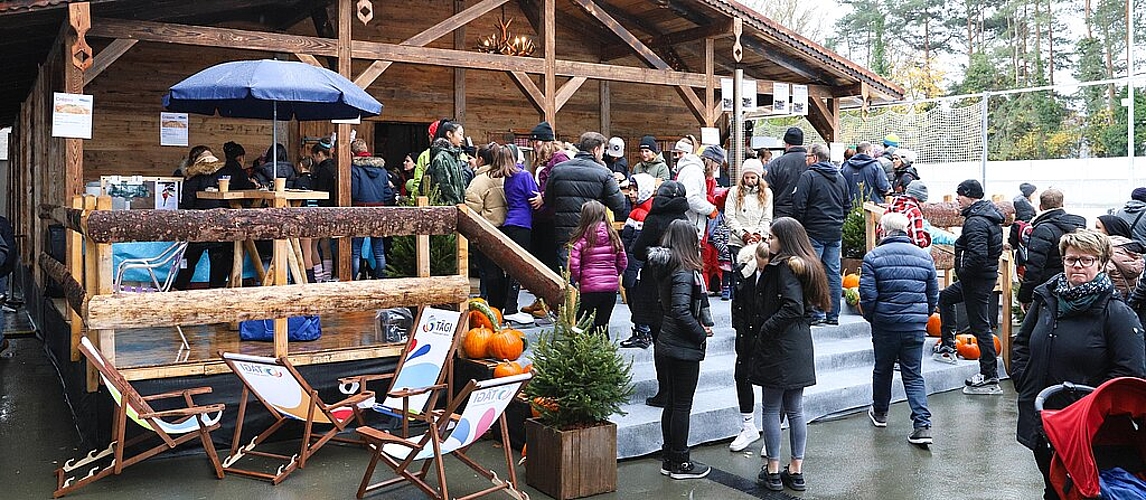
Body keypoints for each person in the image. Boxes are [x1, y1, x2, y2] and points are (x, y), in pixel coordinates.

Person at [1011, 229, 1146, 500]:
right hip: (1042, 417)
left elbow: (1129, 374)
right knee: (1052, 485)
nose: (1078, 266)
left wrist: (1088, 406)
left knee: (1075, 491)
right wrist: (1024, 381)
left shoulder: (1116, 313)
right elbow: (1022, 345)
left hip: (1085, 429)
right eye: (1071, 259)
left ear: (1102, 263)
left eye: (1087, 260)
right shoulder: (1047, 300)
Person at [750, 217, 830, 493]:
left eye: (771, 237)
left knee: (772, 408)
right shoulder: (806, 264)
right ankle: (795, 470)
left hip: (780, 344)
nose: (767, 241)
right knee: (795, 409)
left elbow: (791, 307)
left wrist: (765, 330)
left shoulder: (784, 267)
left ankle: (773, 469)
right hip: (798, 343)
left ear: (785, 239)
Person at [860, 213, 938, 446]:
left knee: (882, 369)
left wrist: (874, 317)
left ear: (883, 231)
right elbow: (933, 294)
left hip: (885, 324)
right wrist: (923, 316)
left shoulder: (873, 257)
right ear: (906, 230)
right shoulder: (924, 257)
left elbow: (868, 295)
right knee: (913, 374)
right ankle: (922, 425)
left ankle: (881, 412)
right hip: (914, 325)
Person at [647, 219, 713, 481]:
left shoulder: (666, 265)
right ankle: (681, 462)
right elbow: (681, 310)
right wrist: (700, 334)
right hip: (681, 344)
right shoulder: (684, 269)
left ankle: (669, 458)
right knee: (682, 404)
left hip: (667, 340)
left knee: (673, 403)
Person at [933, 180, 1004, 396]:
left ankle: (989, 374)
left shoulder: (977, 222)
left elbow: (978, 256)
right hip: (979, 278)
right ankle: (948, 344)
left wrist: (962, 273)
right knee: (945, 297)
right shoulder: (986, 216)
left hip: (976, 281)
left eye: (960, 195)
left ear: (970, 196)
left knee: (980, 326)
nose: (957, 199)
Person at [631, 181, 690, 403]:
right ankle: (676, 389)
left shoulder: (654, 219)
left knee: (660, 341)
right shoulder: (685, 220)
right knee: (675, 339)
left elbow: (637, 250)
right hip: (680, 285)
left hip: (654, 285)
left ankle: (664, 390)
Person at [543, 132, 626, 271]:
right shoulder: (604, 173)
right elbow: (619, 204)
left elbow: (549, 200)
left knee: (568, 278)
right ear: (596, 150)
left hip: (565, 234)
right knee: (592, 277)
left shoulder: (558, 170)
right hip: (594, 234)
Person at [791, 143, 849, 325]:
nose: (806, 159)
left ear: (815, 157)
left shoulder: (808, 176)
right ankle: (832, 314)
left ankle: (815, 312)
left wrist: (801, 226)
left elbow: (798, 204)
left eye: (808, 156)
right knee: (832, 273)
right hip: (834, 232)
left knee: (812, 271)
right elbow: (847, 205)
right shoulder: (840, 177)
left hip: (813, 231)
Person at [174, 149, 234, 290]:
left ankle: (178, 289)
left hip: (197, 226)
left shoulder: (191, 177)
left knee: (188, 262)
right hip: (220, 225)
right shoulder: (223, 175)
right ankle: (217, 292)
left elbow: (187, 203)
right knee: (219, 265)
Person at [1016, 188, 1087, 308]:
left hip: (1048, 290)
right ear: (1062, 204)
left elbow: (1034, 267)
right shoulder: (1077, 226)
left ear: (1040, 207)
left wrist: (1025, 296)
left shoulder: (1043, 229)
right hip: (1076, 284)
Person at [568, 200, 627, 337]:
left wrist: (580, 279)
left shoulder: (581, 239)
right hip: (610, 289)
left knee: (583, 324)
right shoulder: (614, 237)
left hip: (589, 288)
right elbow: (623, 261)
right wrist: (613, 274)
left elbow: (574, 265)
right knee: (603, 324)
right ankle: (605, 354)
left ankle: (584, 352)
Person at [499, 145, 541, 325]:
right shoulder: (524, 176)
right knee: (519, 268)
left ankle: (509, 306)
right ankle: (510, 308)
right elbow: (535, 197)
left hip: (510, 222)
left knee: (512, 267)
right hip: (522, 223)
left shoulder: (508, 177)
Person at [729, 241, 764, 452]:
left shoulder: (777, 272)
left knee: (773, 384)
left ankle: (772, 433)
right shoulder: (742, 273)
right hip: (746, 332)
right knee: (742, 375)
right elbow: (738, 307)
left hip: (768, 333)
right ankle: (748, 425)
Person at [466, 143, 509, 306]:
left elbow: (471, 209)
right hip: (505, 228)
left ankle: (495, 305)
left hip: (486, 230)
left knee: (489, 271)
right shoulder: (504, 176)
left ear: (481, 159)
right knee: (502, 270)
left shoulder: (479, 181)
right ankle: (503, 304)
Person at [619, 173, 657, 348]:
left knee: (637, 299)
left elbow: (636, 247)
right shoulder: (638, 210)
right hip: (634, 265)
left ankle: (642, 332)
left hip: (636, 268)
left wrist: (630, 272)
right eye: (630, 190)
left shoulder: (641, 214)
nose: (631, 193)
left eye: (635, 190)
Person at [349, 139, 391, 279]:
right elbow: (387, 193)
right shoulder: (382, 170)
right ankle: (381, 279)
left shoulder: (354, 169)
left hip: (360, 210)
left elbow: (353, 192)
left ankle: (351, 279)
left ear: (351, 153)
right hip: (379, 211)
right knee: (379, 249)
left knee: (355, 250)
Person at [725, 158, 773, 262]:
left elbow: (766, 218)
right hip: (737, 241)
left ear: (759, 178)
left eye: (753, 177)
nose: (749, 180)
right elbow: (729, 218)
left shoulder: (767, 193)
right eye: (746, 177)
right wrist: (744, 235)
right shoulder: (734, 191)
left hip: (758, 242)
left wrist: (757, 236)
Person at [672, 139, 717, 235]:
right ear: (712, 162)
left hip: (685, 225)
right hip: (690, 227)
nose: (716, 169)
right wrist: (710, 209)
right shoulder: (694, 171)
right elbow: (691, 198)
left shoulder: (688, 169)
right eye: (717, 165)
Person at [1096, 215, 1144, 299]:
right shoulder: (1134, 252)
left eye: (1098, 228)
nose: (1094, 231)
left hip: (1111, 300)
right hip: (1130, 298)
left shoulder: (1106, 254)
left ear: (1110, 230)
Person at [766, 127, 809, 220]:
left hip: (782, 215)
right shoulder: (811, 162)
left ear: (787, 144)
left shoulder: (776, 164)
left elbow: (767, 191)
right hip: (807, 216)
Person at [310, 139, 336, 282]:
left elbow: (319, 191)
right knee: (325, 244)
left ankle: (318, 278)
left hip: (321, 209)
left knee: (314, 244)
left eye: (314, 157)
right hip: (333, 209)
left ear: (319, 154)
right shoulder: (335, 167)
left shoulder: (322, 170)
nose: (314, 160)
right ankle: (327, 276)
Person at [879, 180, 931, 248]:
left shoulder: (890, 208)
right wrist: (927, 240)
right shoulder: (914, 212)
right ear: (920, 200)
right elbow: (918, 242)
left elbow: (879, 233)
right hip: (907, 250)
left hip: (886, 248)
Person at [426, 121, 467, 206]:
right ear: (449, 134)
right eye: (460, 134)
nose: (462, 139)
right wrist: (456, 203)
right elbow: (445, 186)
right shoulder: (441, 157)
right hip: (446, 207)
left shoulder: (455, 156)